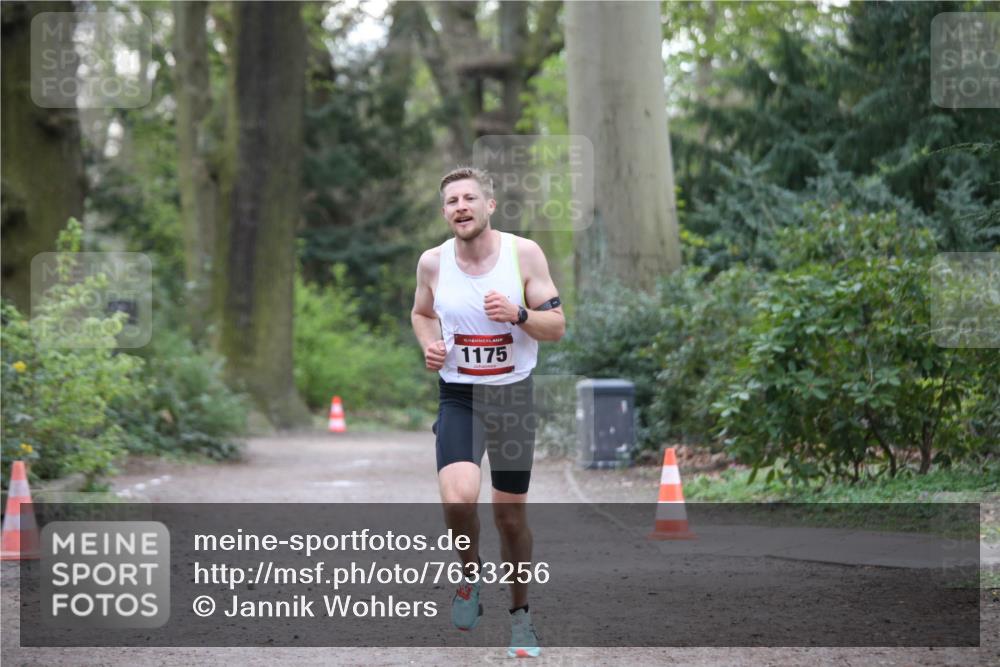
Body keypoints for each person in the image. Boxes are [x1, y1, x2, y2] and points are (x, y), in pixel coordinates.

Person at [411, 166, 565, 658]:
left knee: (510, 519)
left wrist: (519, 314)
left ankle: (520, 616)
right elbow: (421, 312)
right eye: (452, 200)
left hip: (512, 397)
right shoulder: (433, 263)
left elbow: (557, 325)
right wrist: (430, 346)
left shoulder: (523, 255)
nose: (461, 206)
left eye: (469, 198)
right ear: (445, 212)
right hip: (460, 396)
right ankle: (469, 576)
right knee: (458, 499)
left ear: (489, 206)